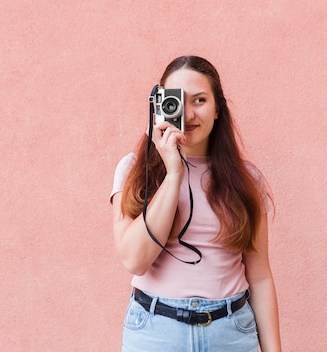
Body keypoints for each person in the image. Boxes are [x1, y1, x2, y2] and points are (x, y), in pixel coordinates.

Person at [110, 56, 281, 351]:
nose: (188, 114)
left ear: (217, 110)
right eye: (176, 101)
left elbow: (260, 276)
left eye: (200, 100)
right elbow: (135, 260)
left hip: (231, 332)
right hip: (155, 331)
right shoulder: (135, 170)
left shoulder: (247, 179)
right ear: (159, 106)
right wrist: (174, 172)